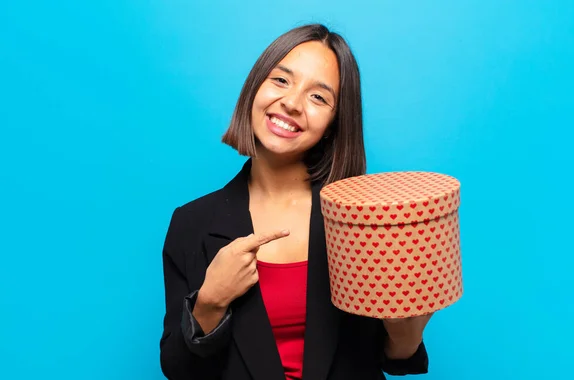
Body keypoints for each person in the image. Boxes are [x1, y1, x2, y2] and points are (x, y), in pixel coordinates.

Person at [159, 23, 432, 380]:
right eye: (281, 80)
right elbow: (178, 369)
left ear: (334, 122)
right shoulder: (191, 223)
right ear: (255, 87)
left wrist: (405, 332)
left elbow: (395, 357)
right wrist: (210, 302)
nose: (291, 103)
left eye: (318, 97)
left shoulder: (362, 219)